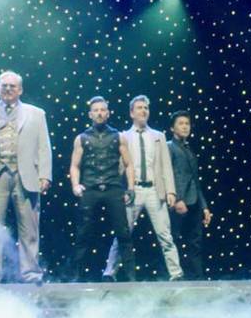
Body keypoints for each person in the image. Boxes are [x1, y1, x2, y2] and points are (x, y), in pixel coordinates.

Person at [0, 71, 53, 284]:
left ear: (20, 90)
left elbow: (44, 146)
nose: (8, 89)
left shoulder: (36, 114)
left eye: (12, 86)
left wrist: (45, 175)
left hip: (26, 176)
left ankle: (31, 273)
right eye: (4, 85)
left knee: (29, 228)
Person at [104, 95, 184, 281]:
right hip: (133, 190)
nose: (143, 111)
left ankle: (176, 273)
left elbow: (165, 166)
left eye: (146, 108)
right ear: (132, 113)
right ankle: (109, 271)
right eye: (139, 108)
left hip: (155, 190)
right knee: (123, 233)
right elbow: (119, 166)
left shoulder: (158, 136)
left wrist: (171, 191)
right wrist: (120, 190)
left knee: (165, 234)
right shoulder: (124, 136)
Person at [70, 97, 136, 281]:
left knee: (123, 233)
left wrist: (130, 188)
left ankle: (131, 277)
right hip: (90, 188)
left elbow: (129, 164)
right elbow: (74, 165)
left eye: (102, 110)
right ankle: (77, 277)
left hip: (113, 187)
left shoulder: (118, 136)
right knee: (83, 232)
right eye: (96, 110)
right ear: (90, 114)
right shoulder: (82, 138)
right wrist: (75, 185)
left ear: (108, 113)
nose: (99, 113)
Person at [167, 110, 213, 279]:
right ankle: (175, 277)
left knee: (195, 242)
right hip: (178, 202)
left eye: (187, 123)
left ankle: (198, 278)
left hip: (194, 201)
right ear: (172, 128)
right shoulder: (168, 147)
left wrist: (204, 206)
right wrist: (177, 199)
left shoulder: (189, 149)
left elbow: (195, 180)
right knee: (174, 240)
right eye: (181, 123)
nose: (185, 127)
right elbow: (169, 175)